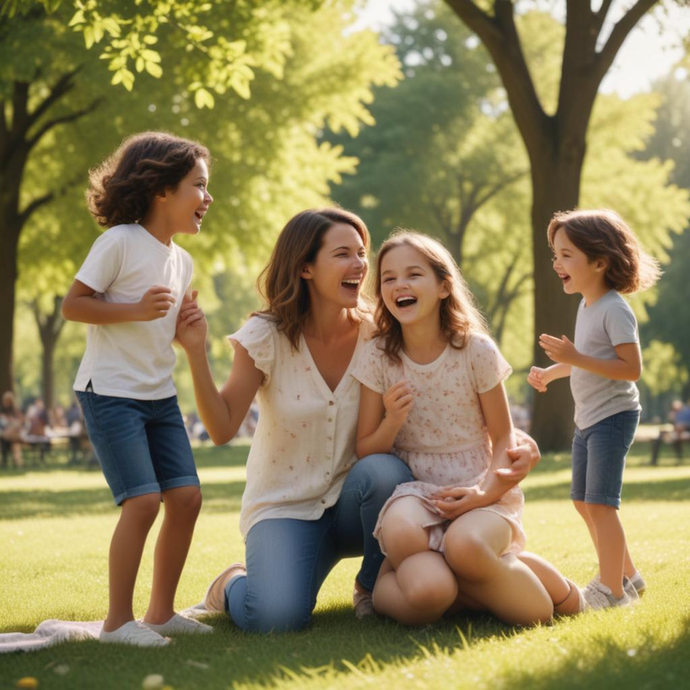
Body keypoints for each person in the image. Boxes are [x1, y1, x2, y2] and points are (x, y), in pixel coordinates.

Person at [175, 208, 416, 633]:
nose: (360, 265)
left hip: (354, 505)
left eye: (362, 253)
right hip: (283, 509)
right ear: (305, 267)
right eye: (343, 254)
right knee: (275, 619)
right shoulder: (265, 336)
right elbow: (222, 428)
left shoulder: (378, 334)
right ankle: (229, 584)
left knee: (386, 472)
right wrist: (195, 351)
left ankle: (371, 586)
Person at [353, 231, 583, 626]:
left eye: (413, 274)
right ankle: (398, 586)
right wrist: (392, 421)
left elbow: (503, 435)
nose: (399, 285)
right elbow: (365, 449)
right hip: (417, 488)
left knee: (468, 549)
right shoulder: (377, 355)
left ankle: (538, 587)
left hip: (479, 481)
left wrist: (483, 493)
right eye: (388, 278)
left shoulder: (475, 350)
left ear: (444, 286)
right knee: (415, 562)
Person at [61, 132, 214, 646]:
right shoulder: (119, 242)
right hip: (109, 392)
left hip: (159, 395)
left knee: (187, 497)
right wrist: (133, 309)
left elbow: (158, 331)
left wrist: (186, 334)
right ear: (162, 190)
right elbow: (74, 305)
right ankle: (117, 624)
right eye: (199, 185)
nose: (208, 198)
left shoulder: (181, 260)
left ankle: (160, 612)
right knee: (144, 502)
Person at [528, 208, 660, 609]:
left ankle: (613, 592)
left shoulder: (614, 308)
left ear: (600, 262)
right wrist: (554, 371)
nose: (556, 263)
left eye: (566, 255)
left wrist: (574, 357)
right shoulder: (587, 305)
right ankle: (627, 576)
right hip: (588, 418)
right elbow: (586, 358)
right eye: (555, 254)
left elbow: (631, 369)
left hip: (613, 417)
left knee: (601, 503)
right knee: (584, 502)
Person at [0, 391, 25, 468]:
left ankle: (18, 463)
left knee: (15, 443)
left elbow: (21, 422)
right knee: (15, 441)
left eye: (9, 401)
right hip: (4, 433)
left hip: (11, 434)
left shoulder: (15, 411)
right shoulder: (1, 410)